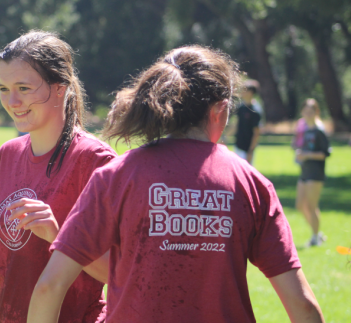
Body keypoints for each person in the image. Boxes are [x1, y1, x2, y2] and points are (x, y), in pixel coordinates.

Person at [28, 46, 324, 323]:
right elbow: (303, 306)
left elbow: (49, 286)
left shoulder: (117, 175)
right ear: (220, 110)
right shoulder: (251, 183)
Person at [0, 30, 115, 322]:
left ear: (60, 87)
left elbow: (120, 272)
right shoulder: (8, 154)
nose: (12, 101)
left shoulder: (95, 161)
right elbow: (17, 266)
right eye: (3, 88)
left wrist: (58, 235)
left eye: (24, 88)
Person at [295, 99, 331, 247]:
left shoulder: (319, 130)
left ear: (316, 112)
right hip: (304, 172)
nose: (308, 114)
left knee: (311, 205)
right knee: (299, 205)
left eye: (311, 112)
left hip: (315, 173)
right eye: (305, 112)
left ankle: (315, 237)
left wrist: (306, 155)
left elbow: (325, 153)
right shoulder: (305, 130)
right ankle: (317, 233)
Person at [234, 79, 262, 164]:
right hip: (238, 146)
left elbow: (256, 133)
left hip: (247, 149)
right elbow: (237, 124)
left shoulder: (255, 111)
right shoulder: (241, 107)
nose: (242, 92)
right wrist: (225, 136)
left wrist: (250, 151)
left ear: (250, 92)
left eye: (244, 90)